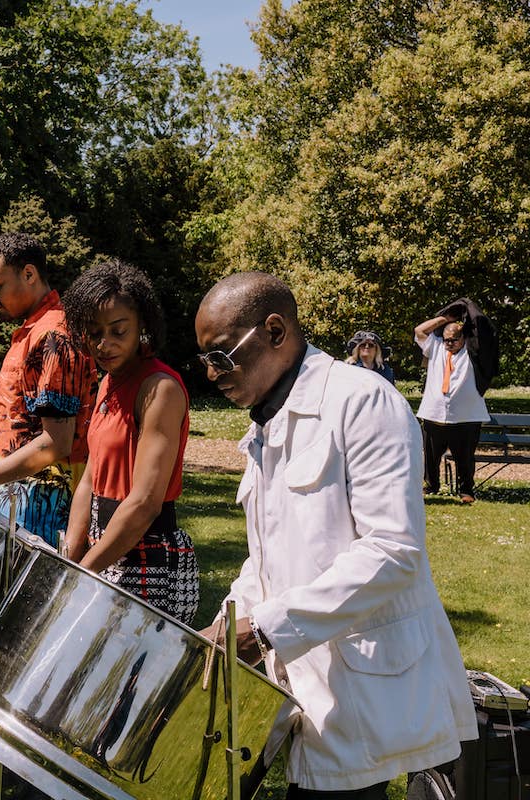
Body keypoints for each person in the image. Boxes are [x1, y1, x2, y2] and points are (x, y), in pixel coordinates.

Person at [194, 272, 476, 799]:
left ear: (275, 331)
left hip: (364, 690)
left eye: (222, 356)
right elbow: (268, 555)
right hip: (305, 686)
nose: (212, 374)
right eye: (205, 361)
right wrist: (227, 622)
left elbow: (393, 551)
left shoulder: (363, 401)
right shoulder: (262, 427)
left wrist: (264, 630)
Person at [59, 258, 198, 624]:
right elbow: (90, 476)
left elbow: (144, 503)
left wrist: (84, 572)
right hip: (103, 547)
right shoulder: (107, 381)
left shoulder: (159, 388)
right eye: (94, 333)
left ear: (142, 327)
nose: (104, 344)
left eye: (118, 331)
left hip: (145, 555)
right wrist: (71, 556)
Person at [0, 232, 97, 547]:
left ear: (29, 274)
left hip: (38, 510)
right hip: (14, 499)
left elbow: (55, 444)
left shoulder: (52, 337)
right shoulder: (34, 332)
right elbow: (22, 436)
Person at [415, 306, 491, 504]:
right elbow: (419, 331)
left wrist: (465, 320)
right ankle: (431, 486)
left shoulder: (472, 351)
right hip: (434, 413)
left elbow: (483, 331)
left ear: (463, 338)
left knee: (465, 457)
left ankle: (466, 491)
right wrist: (443, 319)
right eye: (446, 339)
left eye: (453, 340)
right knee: (431, 457)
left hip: (467, 416)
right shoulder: (436, 346)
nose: (449, 343)